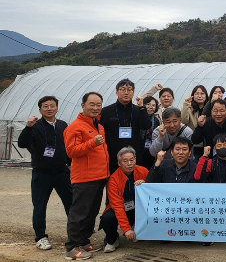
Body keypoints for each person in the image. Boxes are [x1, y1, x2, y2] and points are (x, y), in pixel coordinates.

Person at [18, 96, 72, 251]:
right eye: (45, 106)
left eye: (52, 106)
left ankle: (74, 234)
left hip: (61, 171)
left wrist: (70, 165)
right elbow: (22, 143)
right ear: (40, 109)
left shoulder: (63, 125)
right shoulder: (35, 125)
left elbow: (67, 146)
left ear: (57, 107)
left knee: (71, 203)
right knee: (40, 206)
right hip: (41, 173)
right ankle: (41, 237)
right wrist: (28, 127)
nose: (49, 108)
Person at [63, 92, 110, 260]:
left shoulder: (99, 125)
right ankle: (71, 247)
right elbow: (71, 151)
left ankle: (83, 241)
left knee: (91, 212)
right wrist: (92, 143)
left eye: (98, 105)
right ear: (83, 105)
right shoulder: (75, 126)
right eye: (91, 104)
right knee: (79, 213)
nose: (95, 108)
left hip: (99, 176)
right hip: (84, 177)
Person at [99, 146, 148, 253]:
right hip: (122, 208)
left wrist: (145, 184)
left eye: (132, 160)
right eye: (125, 161)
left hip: (137, 207)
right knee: (107, 217)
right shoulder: (113, 179)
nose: (129, 163)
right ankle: (111, 240)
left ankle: (138, 229)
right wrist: (126, 229)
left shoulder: (143, 171)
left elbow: (152, 191)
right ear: (119, 163)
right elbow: (117, 205)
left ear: (135, 159)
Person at [100, 79, 150, 172]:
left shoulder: (139, 110)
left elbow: (146, 126)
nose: (126, 92)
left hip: (133, 158)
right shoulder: (106, 111)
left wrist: (142, 108)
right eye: (122, 89)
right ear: (116, 91)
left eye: (129, 89)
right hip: (113, 159)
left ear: (133, 92)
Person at [141, 97, 160, 167]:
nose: (150, 107)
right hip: (140, 149)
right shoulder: (138, 117)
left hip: (151, 149)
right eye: (148, 104)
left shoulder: (156, 120)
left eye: (153, 105)